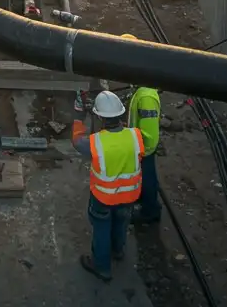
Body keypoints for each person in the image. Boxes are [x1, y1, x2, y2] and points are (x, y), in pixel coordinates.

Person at [72, 90, 145, 282]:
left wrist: (79, 115)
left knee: (102, 229)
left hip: (104, 197)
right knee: (121, 222)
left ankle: (102, 267)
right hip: (129, 195)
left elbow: (77, 140)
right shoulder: (135, 136)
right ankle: (118, 251)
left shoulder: (95, 142)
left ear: (99, 117)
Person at [124, 33, 162, 225]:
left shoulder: (146, 96)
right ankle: (143, 198)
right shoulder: (140, 86)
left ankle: (150, 211)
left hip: (144, 149)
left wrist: (140, 149)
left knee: (148, 178)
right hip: (139, 146)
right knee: (143, 177)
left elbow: (150, 134)